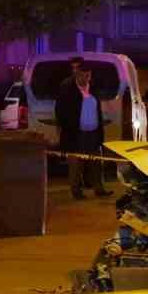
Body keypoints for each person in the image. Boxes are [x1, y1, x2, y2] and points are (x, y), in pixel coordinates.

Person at [55, 56, 113, 199]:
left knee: (95, 163)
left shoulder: (93, 88)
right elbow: (60, 111)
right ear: (77, 74)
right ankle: (76, 191)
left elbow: (97, 111)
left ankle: (99, 189)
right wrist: (67, 129)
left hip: (92, 133)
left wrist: (99, 133)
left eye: (89, 75)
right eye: (83, 74)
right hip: (76, 134)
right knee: (76, 165)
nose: (86, 78)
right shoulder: (67, 87)